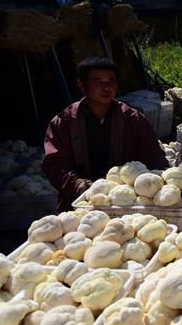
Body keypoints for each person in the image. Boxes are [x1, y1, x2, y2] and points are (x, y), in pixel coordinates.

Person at [42, 56, 169, 211]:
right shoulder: (64, 122)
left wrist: (161, 181)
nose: (106, 87)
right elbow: (54, 164)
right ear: (82, 85)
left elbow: (155, 155)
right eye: (98, 82)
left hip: (126, 203)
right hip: (80, 203)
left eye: (111, 81)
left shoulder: (132, 119)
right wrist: (80, 186)